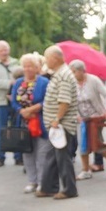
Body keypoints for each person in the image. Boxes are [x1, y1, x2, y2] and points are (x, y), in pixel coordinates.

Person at [36, 45, 78, 200]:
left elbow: (64, 101)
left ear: (56, 58)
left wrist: (56, 119)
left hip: (62, 125)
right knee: (52, 157)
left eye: (47, 58)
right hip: (57, 125)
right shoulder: (59, 73)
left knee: (63, 159)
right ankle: (48, 187)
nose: (46, 61)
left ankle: (69, 190)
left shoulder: (64, 75)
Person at [69, 60, 106, 180]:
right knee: (87, 142)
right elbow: (71, 101)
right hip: (83, 119)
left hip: (97, 117)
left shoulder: (93, 80)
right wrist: (76, 114)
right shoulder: (72, 83)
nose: (72, 74)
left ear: (82, 71)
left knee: (95, 142)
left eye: (74, 72)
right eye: (71, 72)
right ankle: (89, 169)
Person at [10, 54, 50, 194]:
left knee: (42, 153)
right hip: (24, 123)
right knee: (27, 153)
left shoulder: (44, 82)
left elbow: (49, 100)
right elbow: (13, 101)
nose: (27, 69)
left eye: (31, 66)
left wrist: (35, 108)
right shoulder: (18, 82)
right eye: (25, 66)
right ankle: (31, 181)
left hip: (41, 122)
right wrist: (21, 111)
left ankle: (42, 182)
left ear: (37, 68)